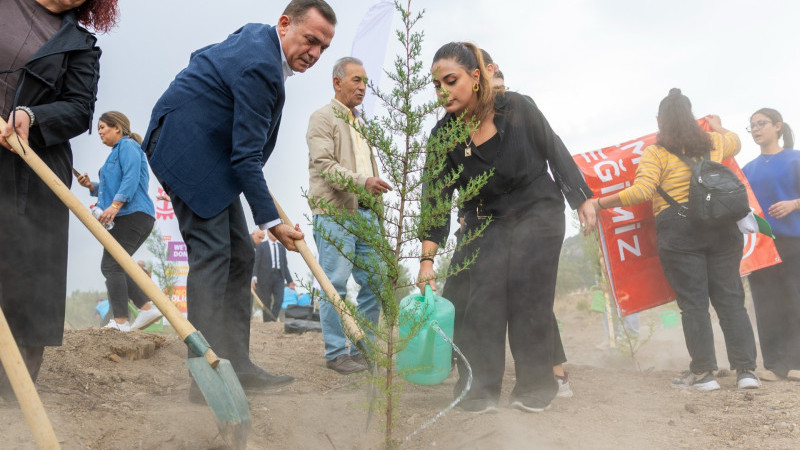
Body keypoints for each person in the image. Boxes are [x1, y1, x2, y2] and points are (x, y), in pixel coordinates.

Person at [141, 0, 336, 395]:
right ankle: (208, 377)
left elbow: (201, 59)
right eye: (310, 40)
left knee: (241, 254)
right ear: (285, 24)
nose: (314, 54)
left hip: (211, 151)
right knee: (213, 253)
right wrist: (273, 222)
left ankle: (237, 364)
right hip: (188, 152)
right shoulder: (262, 66)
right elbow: (246, 157)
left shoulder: (258, 37)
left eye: (323, 48)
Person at [418, 42, 596, 414]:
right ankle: (477, 391)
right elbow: (434, 202)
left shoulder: (517, 107)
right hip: (486, 220)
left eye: (451, 81)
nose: (443, 92)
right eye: (437, 86)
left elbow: (555, 149)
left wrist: (581, 198)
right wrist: (427, 260)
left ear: (476, 76)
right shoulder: (442, 138)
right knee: (482, 301)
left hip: (537, 210)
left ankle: (535, 387)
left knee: (529, 297)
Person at [591, 89, 760, 391]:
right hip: (722, 228)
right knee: (731, 300)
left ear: (660, 121)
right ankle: (747, 372)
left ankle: (705, 374)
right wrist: (717, 125)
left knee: (694, 304)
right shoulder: (714, 142)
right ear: (692, 117)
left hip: (680, 231)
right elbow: (736, 140)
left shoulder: (656, 153)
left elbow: (642, 192)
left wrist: (600, 203)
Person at [0, 0, 118, 403]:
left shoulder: (81, 44)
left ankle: (13, 389)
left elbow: (78, 109)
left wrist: (33, 117)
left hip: (34, 168)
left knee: (29, 272)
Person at [307, 56, 390, 375]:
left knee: (376, 284)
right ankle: (335, 352)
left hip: (367, 216)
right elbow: (325, 166)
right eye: (356, 80)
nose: (363, 87)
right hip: (335, 214)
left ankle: (363, 349)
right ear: (337, 82)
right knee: (336, 283)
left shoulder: (361, 124)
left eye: (365, 81)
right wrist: (363, 182)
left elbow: (370, 170)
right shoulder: (322, 118)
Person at [77, 111, 162, 332]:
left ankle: (121, 321)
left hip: (132, 214)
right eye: (98, 130)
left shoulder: (128, 147)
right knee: (119, 264)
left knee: (111, 264)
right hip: (131, 215)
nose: (100, 132)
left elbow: (130, 179)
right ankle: (145, 308)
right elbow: (111, 187)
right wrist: (91, 186)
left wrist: (114, 206)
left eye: (103, 127)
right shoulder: (116, 152)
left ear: (118, 127)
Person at [741, 108, 800, 382]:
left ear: (778, 126)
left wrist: (794, 203)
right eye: (751, 126)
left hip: (794, 241)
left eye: (761, 124)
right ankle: (775, 365)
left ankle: (797, 363)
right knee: (766, 304)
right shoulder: (747, 170)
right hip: (761, 247)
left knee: (795, 299)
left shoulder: (795, 159)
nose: (755, 129)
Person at [252, 231, 295, 322]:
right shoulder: (261, 246)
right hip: (265, 277)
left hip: (279, 277)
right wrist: (254, 276)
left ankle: (272, 318)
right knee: (266, 301)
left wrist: (290, 281)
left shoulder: (282, 247)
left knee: (279, 299)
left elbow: (285, 265)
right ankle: (267, 322)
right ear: (268, 233)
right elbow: (256, 263)